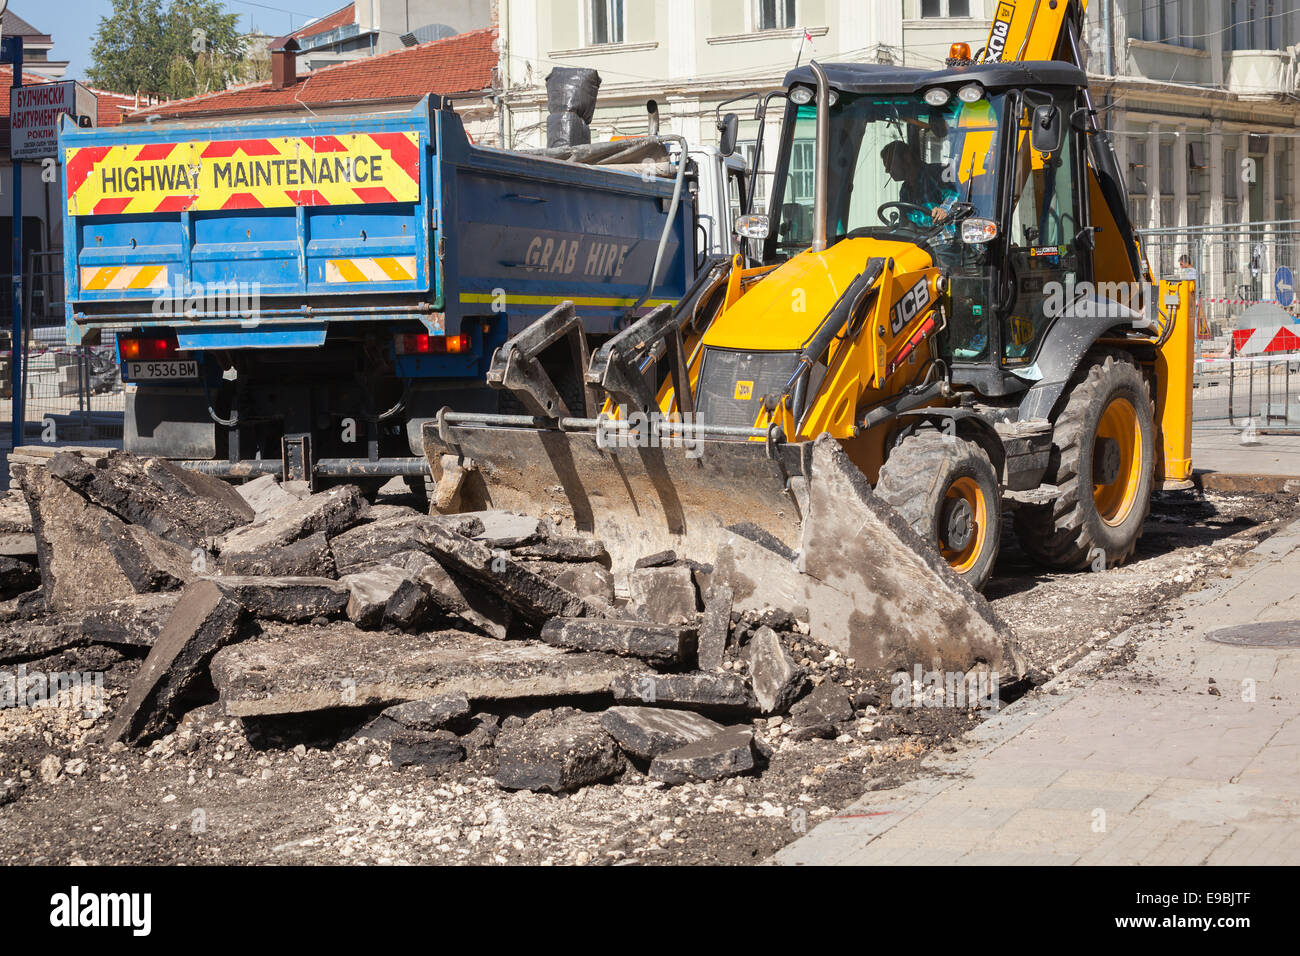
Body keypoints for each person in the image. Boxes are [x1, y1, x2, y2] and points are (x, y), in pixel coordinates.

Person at [881, 139, 959, 227]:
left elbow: (955, 195)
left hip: (946, 238)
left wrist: (944, 210)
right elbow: (906, 223)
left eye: (889, 164)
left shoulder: (937, 173)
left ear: (907, 157)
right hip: (919, 240)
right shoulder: (904, 191)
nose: (887, 170)